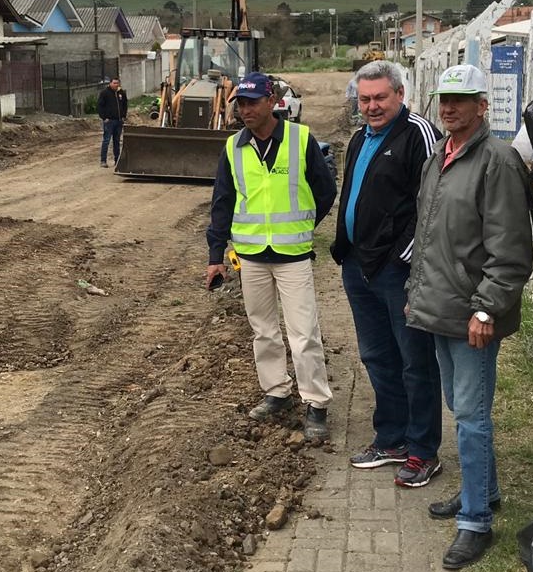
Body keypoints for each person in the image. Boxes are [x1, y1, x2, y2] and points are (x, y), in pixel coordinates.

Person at [406, 64, 533, 569]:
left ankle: (476, 521)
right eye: (444, 99)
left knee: (473, 420)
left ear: (483, 105)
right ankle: (486, 490)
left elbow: (511, 250)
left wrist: (486, 308)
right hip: (438, 307)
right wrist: (417, 293)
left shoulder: (497, 162)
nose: (449, 107)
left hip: (472, 316)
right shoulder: (440, 156)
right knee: (462, 411)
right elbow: (430, 237)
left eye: (461, 99)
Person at [330, 60, 443, 487]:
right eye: (365, 99)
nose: (372, 106)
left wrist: (407, 262)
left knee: (415, 361)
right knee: (378, 356)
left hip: (399, 271)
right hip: (359, 265)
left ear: (400, 94)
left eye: (380, 97)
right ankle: (392, 437)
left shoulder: (418, 134)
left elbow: (431, 207)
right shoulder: (360, 137)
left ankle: (423, 450)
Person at [206, 72, 336, 441]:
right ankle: (276, 391)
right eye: (240, 104)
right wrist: (216, 254)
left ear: (272, 101)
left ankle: (316, 404)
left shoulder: (301, 139)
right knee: (263, 330)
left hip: (292, 255)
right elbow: (222, 203)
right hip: (251, 255)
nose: (245, 110)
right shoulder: (233, 148)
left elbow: (325, 191)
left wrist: (305, 224)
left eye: (251, 102)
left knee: (303, 332)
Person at [97, 77, 127, 168]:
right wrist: (104, 117)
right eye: (114, 83)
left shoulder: (121, 93)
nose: (116, 85)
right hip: (109, 121)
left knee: (117, 141)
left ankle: (117, 160)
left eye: (117, 83)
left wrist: (123, 116)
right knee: (106, 140)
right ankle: (103, 161)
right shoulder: (105, 93)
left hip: (118, 121)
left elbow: (125, 104)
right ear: (110, 83)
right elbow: (99, 106)